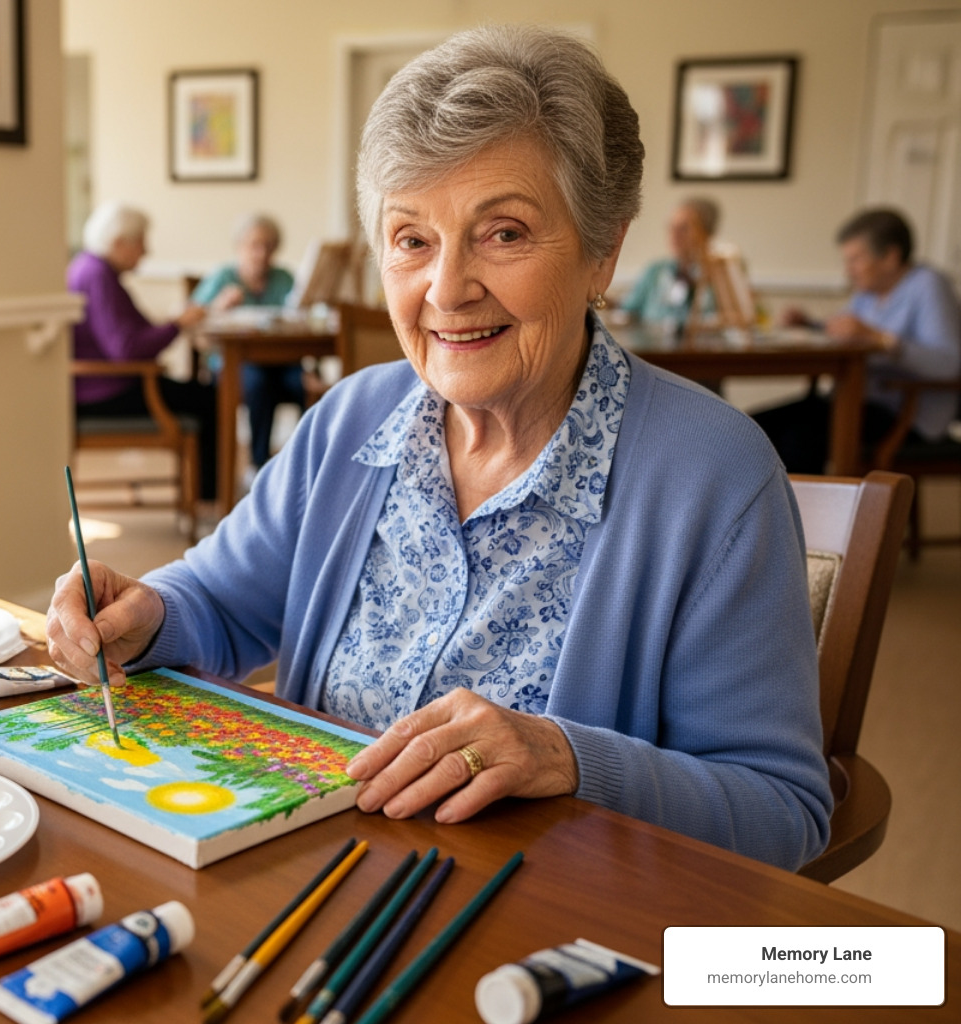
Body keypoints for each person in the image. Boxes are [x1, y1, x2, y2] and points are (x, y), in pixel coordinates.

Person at [46, 26, 831, 871]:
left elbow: (781, 812)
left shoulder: (715, 476)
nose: (447, 290)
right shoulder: (350, 422)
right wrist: (144, 613)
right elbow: (221, 597)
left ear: (604, 251)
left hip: (538, 928)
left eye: (503, 233)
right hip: (303, 876)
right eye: (412, 239)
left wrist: (568, 759)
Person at [755, 208, 961, 474]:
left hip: (903, 415)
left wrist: (880, 340)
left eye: (855, 260)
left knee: (799, 438)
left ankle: (798, 515)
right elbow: (844, 327)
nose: (848, 271)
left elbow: (948, 364)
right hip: (855, 401)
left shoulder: (929, 285)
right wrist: (809, 323)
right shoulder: (870, 293)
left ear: (890, 256)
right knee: (756, 428)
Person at [69, 201, 217, 500]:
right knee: (210, 398)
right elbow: (127, 350)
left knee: (202, 393)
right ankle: (210, 497)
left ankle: (208, 493)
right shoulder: (98, 276)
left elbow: (130, 334)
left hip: (103, 385)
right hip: (106, 391)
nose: (145, 251)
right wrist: (176, 325)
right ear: (118, 242)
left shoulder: (92, 269)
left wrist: (173, 323)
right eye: (140, 242)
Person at [191, 214, 307, 469]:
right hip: (235, 364)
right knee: (257, 385)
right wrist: (218, 307)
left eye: (268, 245)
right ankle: (259, 465)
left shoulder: (284, 278)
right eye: (254, 245)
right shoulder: (223, 277)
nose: (261, 252)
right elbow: (194, 325)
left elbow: (301, 317)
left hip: (282, 362)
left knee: (305, 384)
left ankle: (304, 465)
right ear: (239, 246)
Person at [616, 197, 720, 328]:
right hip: (651, 346)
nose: (674, 234)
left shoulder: (718, 276)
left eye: (684, 228)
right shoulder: (654, 271)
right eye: (671, 227)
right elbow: (629, 308)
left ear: (707, 233)